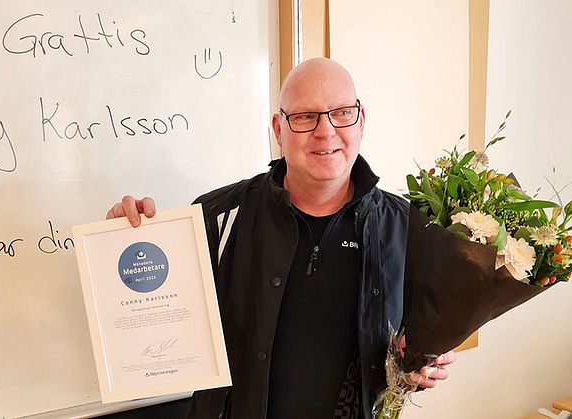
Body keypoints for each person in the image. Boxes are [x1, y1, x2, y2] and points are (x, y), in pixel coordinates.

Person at [106, 58, 456, 419]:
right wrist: (127, 243)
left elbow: (411, 347)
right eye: (306, 117)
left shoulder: (407, 228)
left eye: (341, 113)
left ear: (361, 120)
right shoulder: (217, 217)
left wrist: (417, 364)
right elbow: (155, 318)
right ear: (278, 129)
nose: (326, 131)